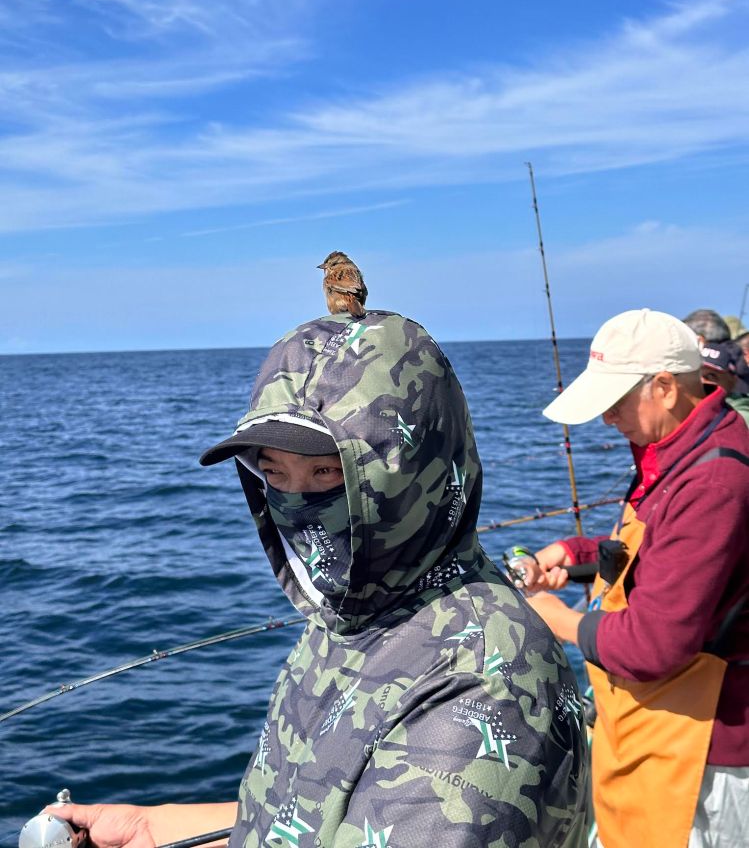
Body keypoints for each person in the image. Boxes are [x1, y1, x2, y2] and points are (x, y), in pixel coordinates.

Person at [49, 311, 589, 847]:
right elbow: (307, 817)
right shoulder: (354, 609)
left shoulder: (485, 681)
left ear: (409, 468)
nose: (296, 504)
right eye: (275, 474)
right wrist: (151, 827)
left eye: (327, 473)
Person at [521, 308, 749, 848]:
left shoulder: (713, 479)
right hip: (664, 734)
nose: (606, 419)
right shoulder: (682, 450)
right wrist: (571, 554)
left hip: (702, 757)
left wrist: (561, 621)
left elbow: (653, 645)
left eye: (615, 403)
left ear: (665, 387)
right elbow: (657, 552)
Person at [701, 341, 749, 426]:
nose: (701, 381)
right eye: (696, 374)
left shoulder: (741, 417)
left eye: (711, 376)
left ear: (733, 380)